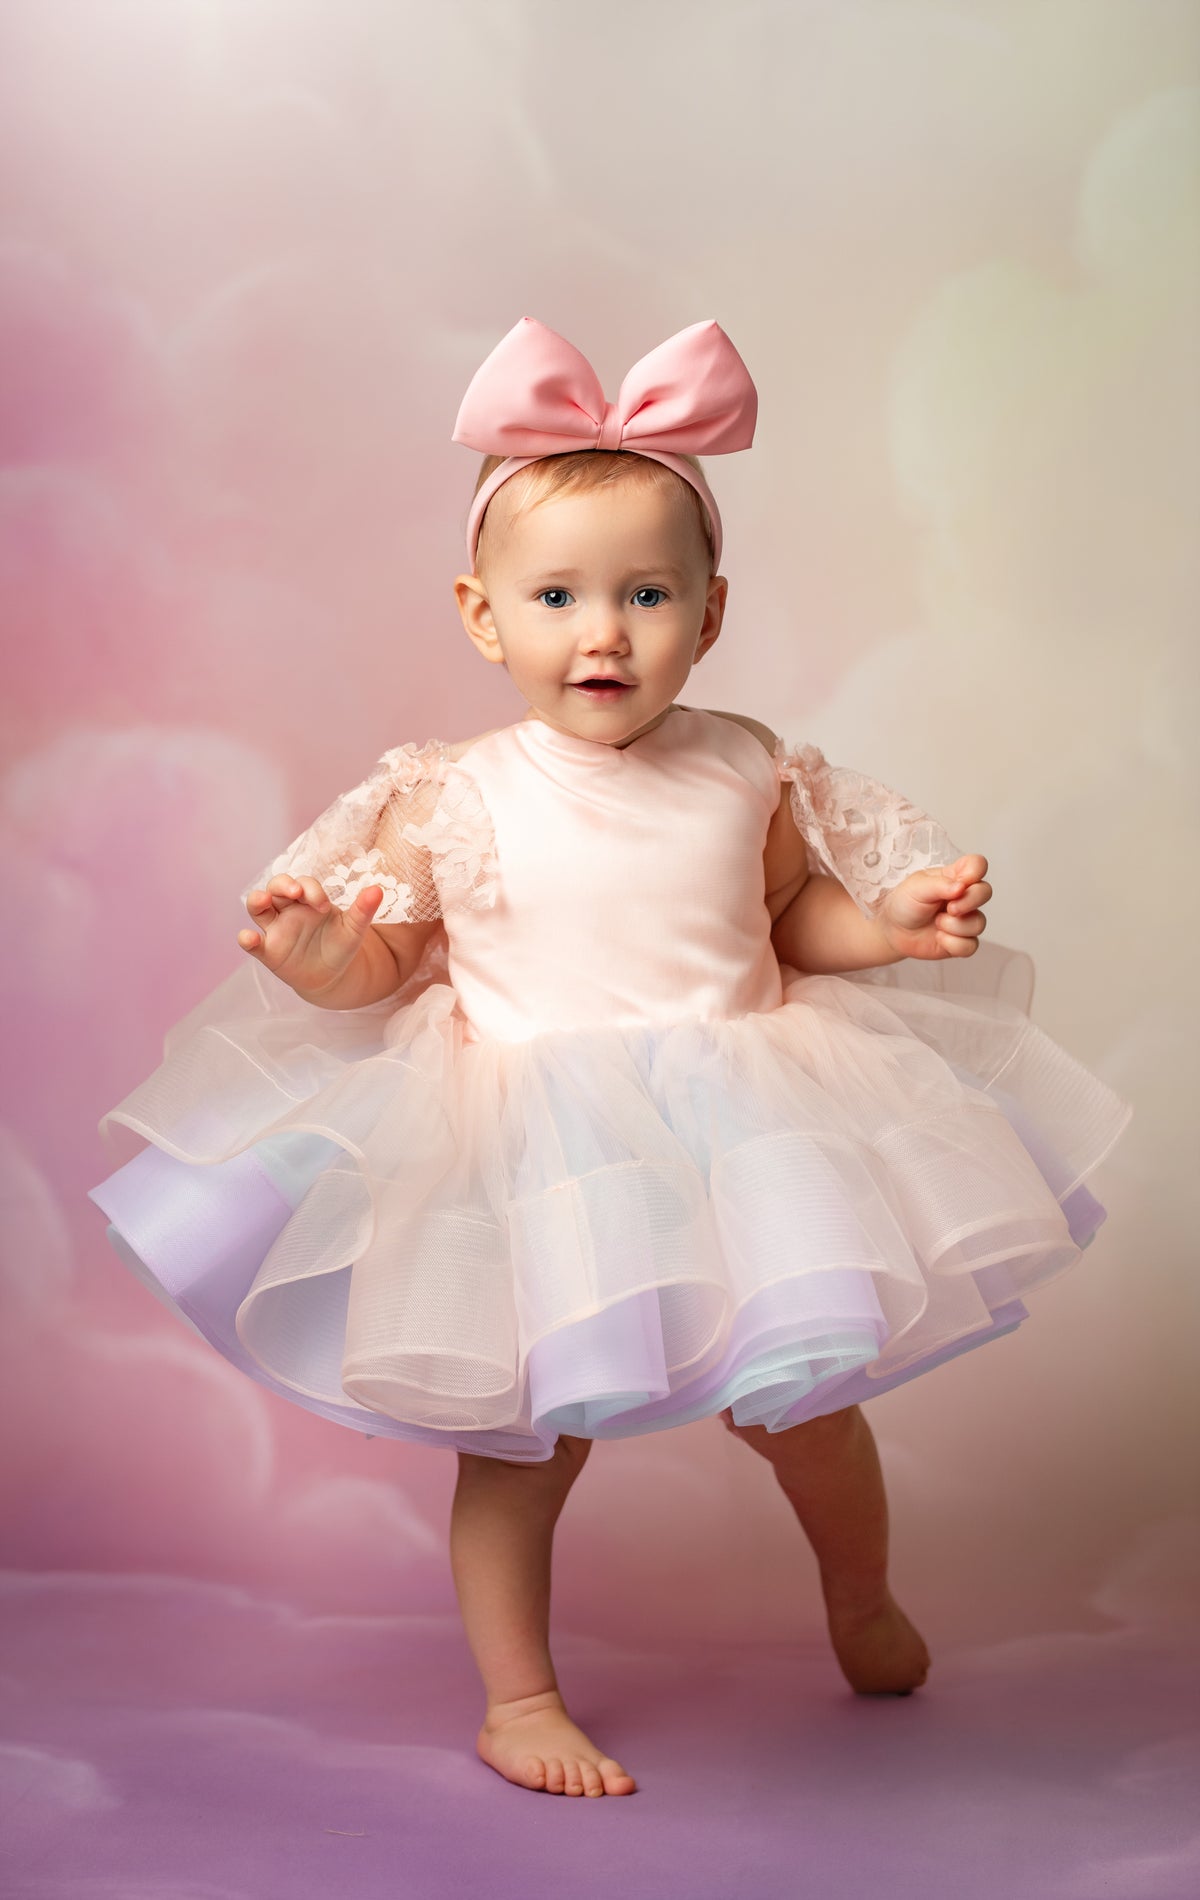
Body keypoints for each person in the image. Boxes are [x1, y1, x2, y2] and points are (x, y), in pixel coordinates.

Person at [88, 316, 1133, 1800]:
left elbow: (784, 917)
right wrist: (331, 957)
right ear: (480, 614)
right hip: (536, 1144)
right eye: (560, 596)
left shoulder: (746, 763)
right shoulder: (452, 794)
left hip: (744, 1125)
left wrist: (889, 925)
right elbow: (392, 958)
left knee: (811, 1410)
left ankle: (860, 1598)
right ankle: (519, 1700)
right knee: (525, 1447)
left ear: (709, 617)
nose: (605, 632)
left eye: (649, 594)